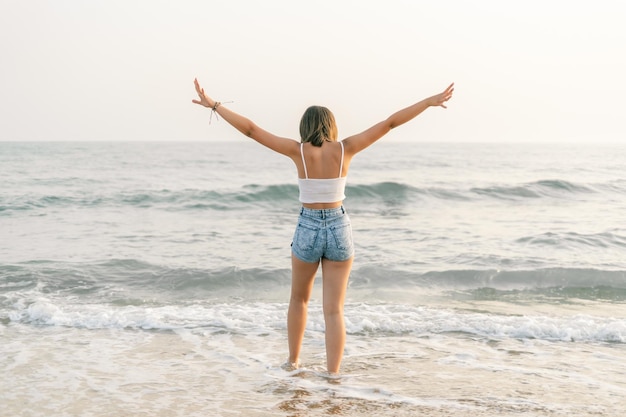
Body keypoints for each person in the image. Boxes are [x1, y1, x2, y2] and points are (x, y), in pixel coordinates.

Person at [192, 78, 454, 374]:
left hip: (308, 227)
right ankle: (333, 375)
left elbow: (251, 130)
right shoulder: (346, 149)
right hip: (339, 226)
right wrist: (427, 102)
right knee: (334, 309)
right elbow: (391, 123)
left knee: (299, 299)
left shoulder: (299, 151)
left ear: (305, 126)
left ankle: (293, 363)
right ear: (331, 125)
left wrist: (214, 105)